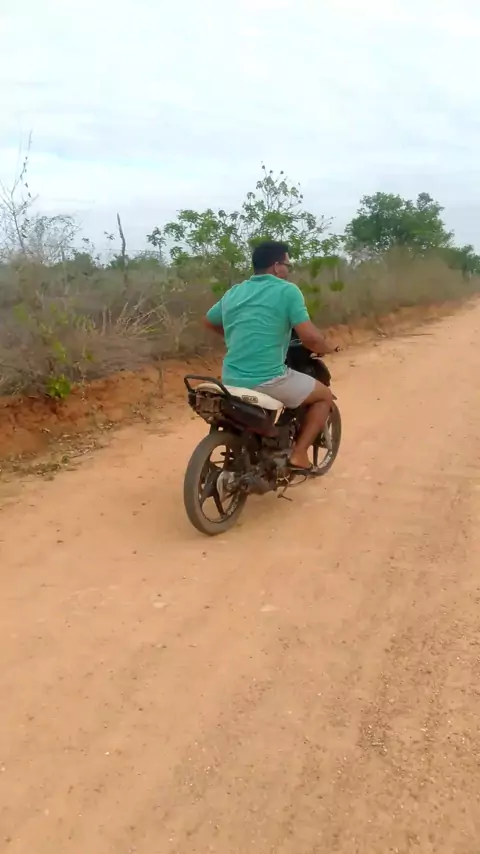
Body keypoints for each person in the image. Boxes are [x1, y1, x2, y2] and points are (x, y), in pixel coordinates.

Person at [203, 240, 337, 473]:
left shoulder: (235, 292)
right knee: (324, 396)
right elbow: (310, 337)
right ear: (276, 266)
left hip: (230, 379)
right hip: (267, 379)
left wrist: (235, 337)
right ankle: (299, 454)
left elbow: (209, 321)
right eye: (287, 264)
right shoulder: (287, 291)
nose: (288, 269)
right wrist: (327, 347)